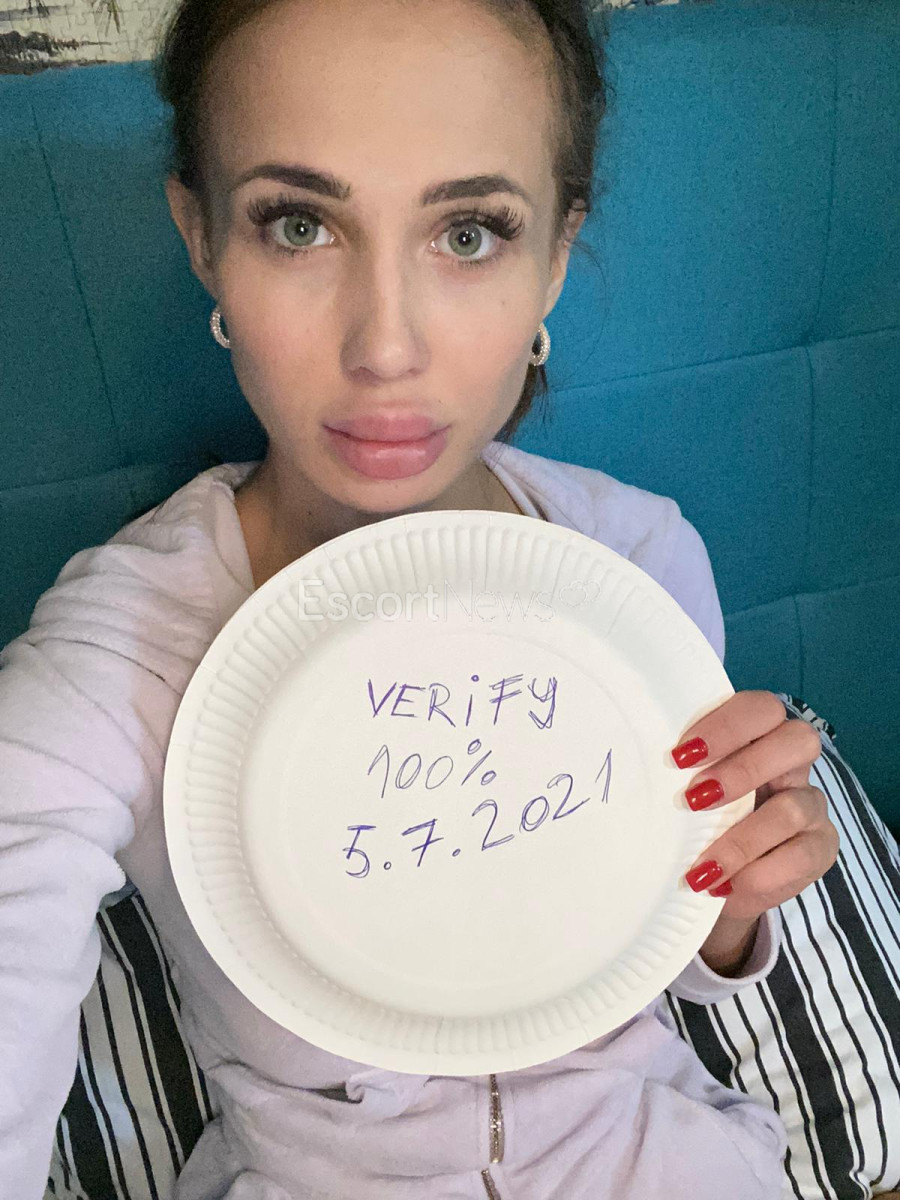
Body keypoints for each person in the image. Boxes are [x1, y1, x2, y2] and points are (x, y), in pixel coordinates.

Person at [0, 0, 840, 1197]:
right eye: (299, 226)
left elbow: (673, 960)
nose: (384, 347)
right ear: (202, 237)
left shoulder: (639, 564)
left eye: (469, 233)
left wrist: (727, 904)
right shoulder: (124, 651)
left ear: (556, 255)